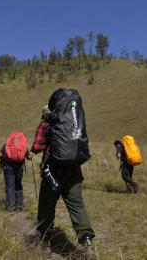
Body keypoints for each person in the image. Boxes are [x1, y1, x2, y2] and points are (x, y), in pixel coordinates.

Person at [33, 91, 96, 259]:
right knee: (77, 207)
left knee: (46, 208)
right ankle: (87, 244)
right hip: (74, 173)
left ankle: (45, 241)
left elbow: (37, 147)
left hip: (52, 174)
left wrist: (41, 126)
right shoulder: (74, 123)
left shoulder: (47, 125)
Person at [0, 139, 32, 212]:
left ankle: (10, 207)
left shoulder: (6, 144)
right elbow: (29, 157)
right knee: (18, 184)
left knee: (10, 186)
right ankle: (19, 206)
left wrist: (4, 156)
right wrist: (30, 155)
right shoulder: (23, 145)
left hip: (8, 167)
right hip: (19, 167)